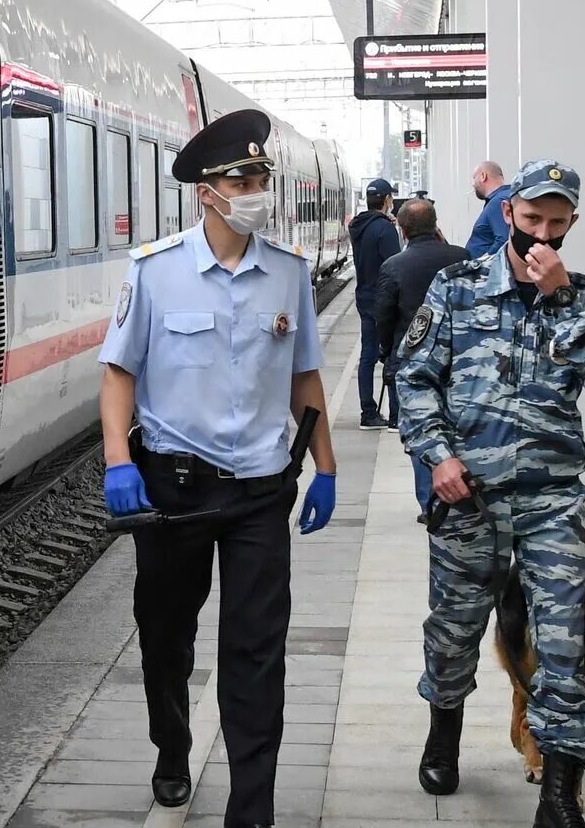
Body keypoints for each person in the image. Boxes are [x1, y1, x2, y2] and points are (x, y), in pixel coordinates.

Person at [98, 107, 339, 828]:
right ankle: (173, 747)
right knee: (167, 636)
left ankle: (252, 808)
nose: (255, 187)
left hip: (261, 491)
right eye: (242, 176)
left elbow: (305, 378)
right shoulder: (154, 273)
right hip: (173, 491)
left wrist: (325, 466)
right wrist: (118, 463)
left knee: (256, 652)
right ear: (206, 191)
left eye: (261, 175)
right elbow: (118, 374)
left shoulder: (289, 274)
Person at [394, 159, 585, 828]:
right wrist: (437, 457)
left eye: (557, 225)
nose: (543, 236)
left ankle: (559, 793)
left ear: (572, 225)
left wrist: (559, 299)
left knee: (563, 643)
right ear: (508, 215)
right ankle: (444, 736)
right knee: (454, 632)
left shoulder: (582, 296)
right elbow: (413, 379)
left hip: (550, 504)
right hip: (467, 499)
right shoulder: (458, 287)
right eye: (532, 220)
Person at [370, 198, 469, 520]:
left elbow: (382, 316)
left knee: (422, 431)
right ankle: (462, 492)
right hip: (460, 361)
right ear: (436, 224)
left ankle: (431, 503)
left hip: (413, 363)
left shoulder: (394, 266)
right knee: (460, 426)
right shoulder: (462, 258)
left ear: (402, 229)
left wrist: (387, 352)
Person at [348, 177, 401, 429]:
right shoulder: (385, 229)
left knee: (367, 355)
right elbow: (395, 266)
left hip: (363, 297)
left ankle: (368, 411)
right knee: (391, 354)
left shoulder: (358, 226)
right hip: (383, 300)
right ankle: (394, 414)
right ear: (387, 200)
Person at [465, 159, 511, 258]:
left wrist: (480, 263)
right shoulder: (507, 196)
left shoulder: (498, 201)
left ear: (483, 176)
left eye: (474, 178)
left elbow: (503, 240)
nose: (473, 184)